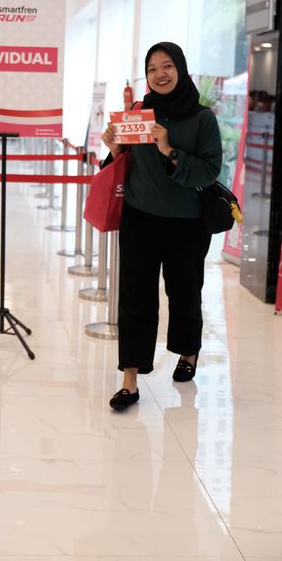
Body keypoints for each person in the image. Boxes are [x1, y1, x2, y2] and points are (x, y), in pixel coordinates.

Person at [101, 41, 222, 412]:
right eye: (152, 68)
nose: (160, 74)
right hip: (139, 217)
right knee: (135, 296)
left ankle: (188, 352)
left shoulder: (203, 118)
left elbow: (210, 170)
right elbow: (119, 164)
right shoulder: (138, 113)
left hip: (187, 223)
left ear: (181, 70)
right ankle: (129, 379)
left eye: (167, 66)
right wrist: (114, 150)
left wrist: (169, 150)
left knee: (184, 292)